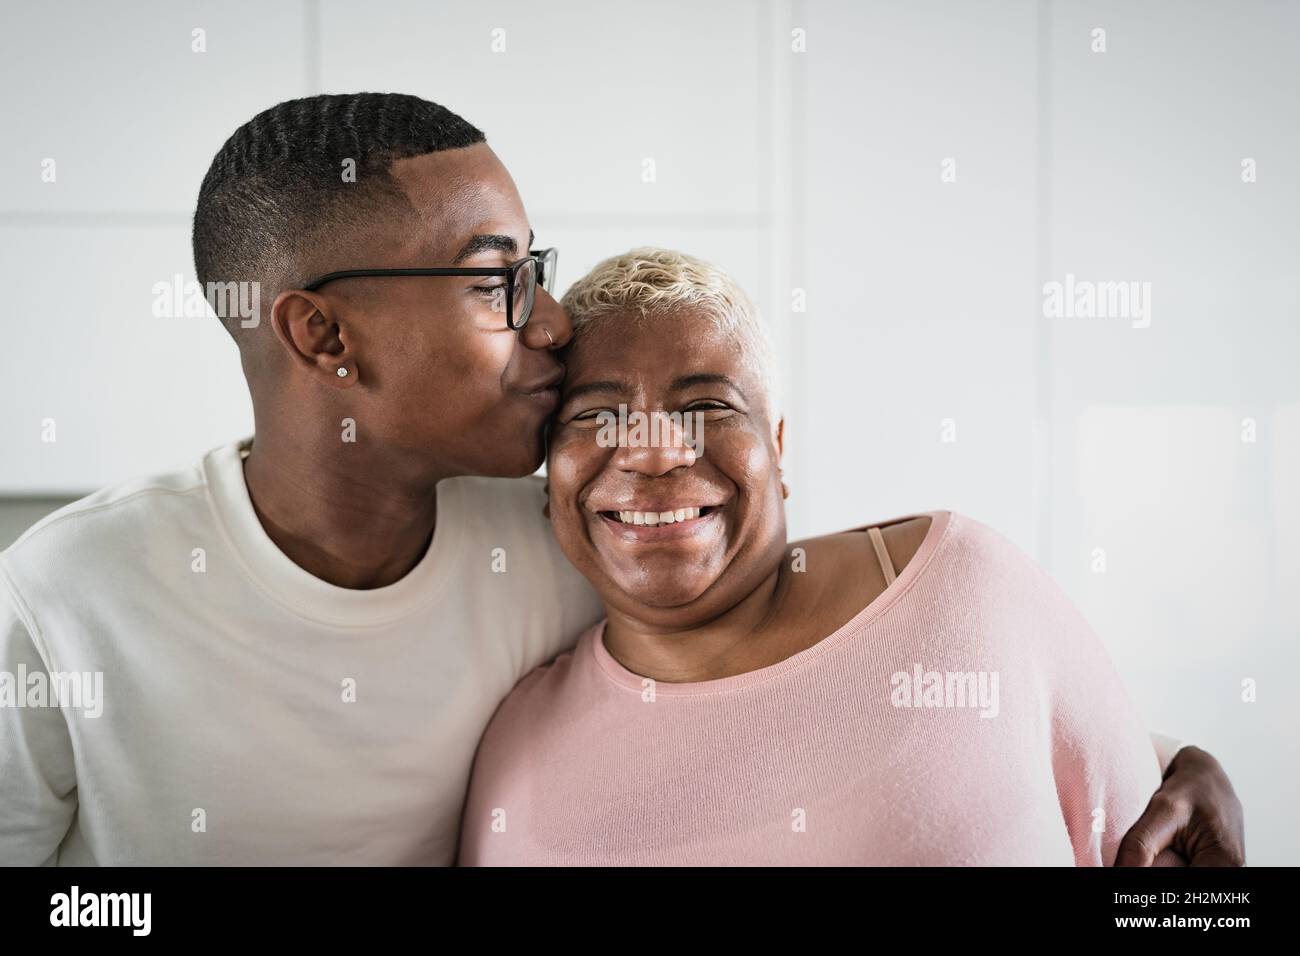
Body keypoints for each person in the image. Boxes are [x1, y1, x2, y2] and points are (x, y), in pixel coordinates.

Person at [0, 96, 1241, 867]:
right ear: (324, 337)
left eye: (538, 273)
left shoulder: (554, 541)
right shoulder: (64, 596)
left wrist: (1172, 753)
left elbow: (845, 644)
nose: (547, 325)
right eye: (500, 281)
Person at [457, 248, 1245, 866]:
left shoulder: (966, 589)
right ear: (549, 470)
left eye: (706, 407)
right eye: (597, 416)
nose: (658, 453)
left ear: (779, 447)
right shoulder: (510, 743)